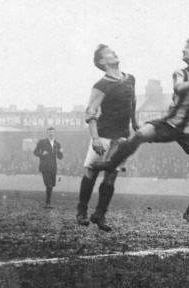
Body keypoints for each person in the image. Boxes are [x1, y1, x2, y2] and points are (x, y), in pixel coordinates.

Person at [92, 38, 189, 223]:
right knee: (142, 133)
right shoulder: (180, 73)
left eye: (188, 47)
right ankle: (111, 164)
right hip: (170, 123)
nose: (183, 49)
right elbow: (178, 88)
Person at [77, 44, 139, 231]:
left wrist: (134, 122)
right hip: (103, 135)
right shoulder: (102, 85)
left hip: (121, 137)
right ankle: (81, 211)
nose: (114, 53)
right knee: (92, 172)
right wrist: (95, 138)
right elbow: (91, 111)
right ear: (102, 62)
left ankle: (99, 214)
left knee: (111, 176)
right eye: (109, 53)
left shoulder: (130, 79)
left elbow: (133, 101)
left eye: (114, 51)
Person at [33, 127, 64, 208]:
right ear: (47, 133)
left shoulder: (57, 144)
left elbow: (60, 157)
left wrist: (61, 152)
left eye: (52, 132)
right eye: (49, 132)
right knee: (49, 184)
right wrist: (42, 154)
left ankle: (48, 202)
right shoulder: (42, 142)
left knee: (51, 185)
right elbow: (35, 152)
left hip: (53, 167)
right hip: (45, 167)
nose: (51, 133)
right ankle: (48, 203)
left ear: (55, 133)